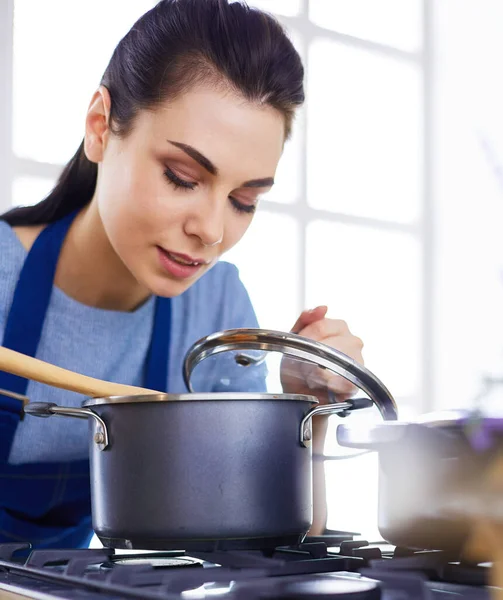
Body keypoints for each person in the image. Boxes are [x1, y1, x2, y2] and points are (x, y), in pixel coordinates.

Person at [0, 0, 364, 549]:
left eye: (244, 200)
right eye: (181, 177)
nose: (212, 230)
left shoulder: (217, 310)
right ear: (100, 127)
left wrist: (302, 418)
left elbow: (265, 552)